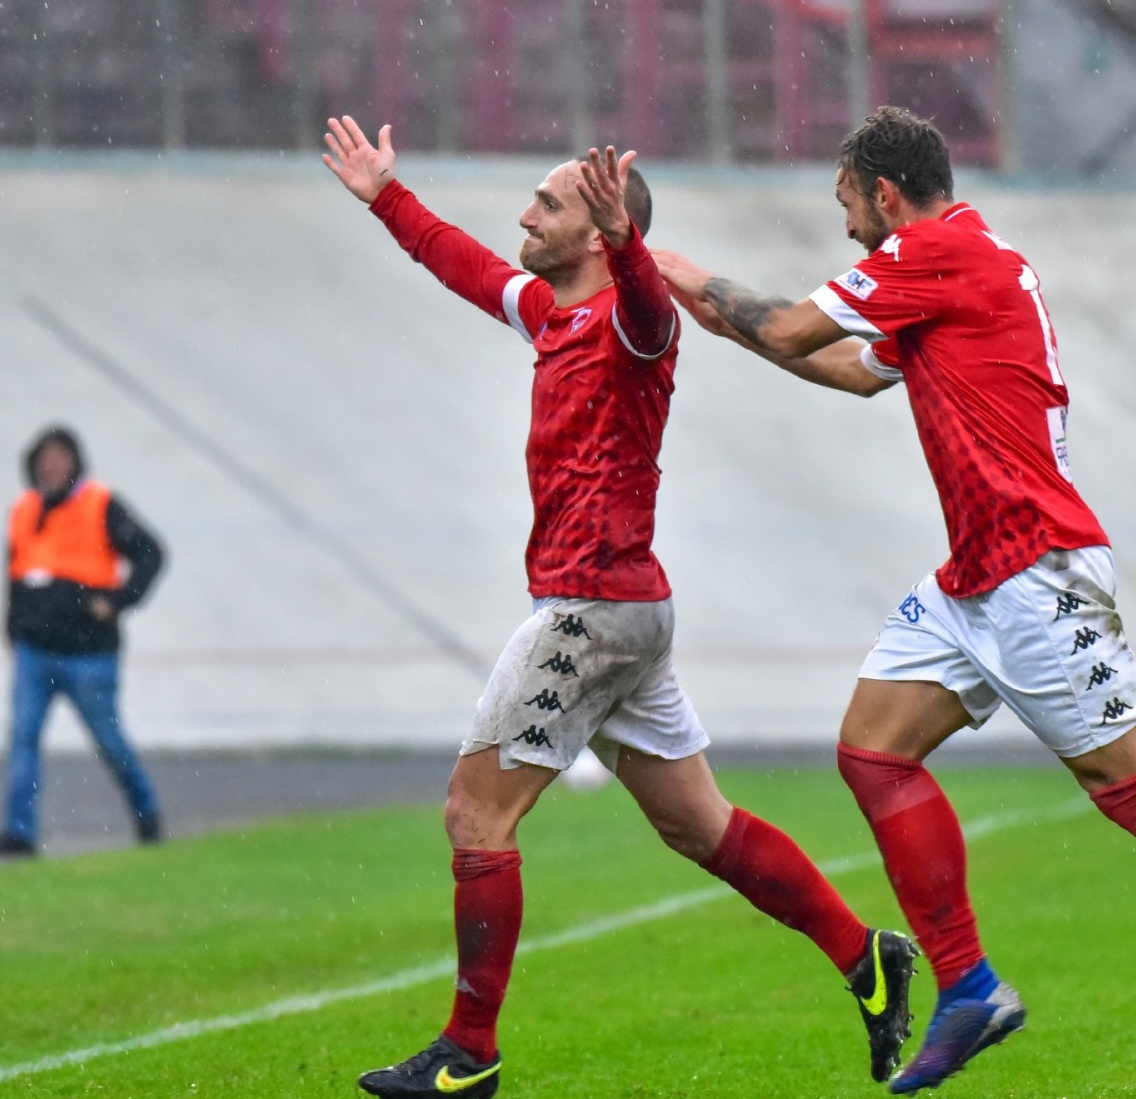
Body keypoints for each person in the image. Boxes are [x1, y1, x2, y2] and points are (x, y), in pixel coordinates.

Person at [654, 105, 1136, 1099]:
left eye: (847, 203)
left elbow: (788, 323)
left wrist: (670, 268)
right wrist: (724, 321)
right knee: (872, 749)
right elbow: (847, 371)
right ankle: (968, 987)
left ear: (886, 194)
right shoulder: (954, 260)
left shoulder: (932, 252)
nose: (846, 224)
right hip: (974, 577)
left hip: (1034, 569)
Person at [321, 116, 918, 1099]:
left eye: (548, 203)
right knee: (702, 829)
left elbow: (647, 297)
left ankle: (469, 1053)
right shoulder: (550, 314)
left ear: (597, 233)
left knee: (475, 812)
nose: (525, 213)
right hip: (627, 612)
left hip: (590, 613)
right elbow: (461, 263)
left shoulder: (636, 321)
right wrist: (386, 194)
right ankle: (866, 957)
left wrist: (630, 244)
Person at [0, 426, 165, 858]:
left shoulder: (99, 503)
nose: (52, 465)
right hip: (35, 651)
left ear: (75, 461)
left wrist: (119, 601)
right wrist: (11, 627)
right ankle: (19, 833)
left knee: (109, 742)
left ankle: (148, 815)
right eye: (45, 457)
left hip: (89, 653)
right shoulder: (24, 509)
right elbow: (16, 571)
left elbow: (151, 553)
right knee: (23, 740)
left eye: (60, 457)